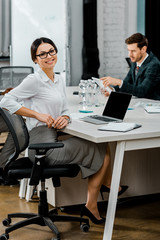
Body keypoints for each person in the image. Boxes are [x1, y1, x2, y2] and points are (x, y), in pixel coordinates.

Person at [0, 37, 127, 224]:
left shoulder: (58, 79)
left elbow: (65, 110)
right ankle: (96, 199)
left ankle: (97, 196)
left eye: (51, 51)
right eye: (42, 54)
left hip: (52, 136)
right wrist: (38, 115)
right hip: (41, 147)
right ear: (35, 59)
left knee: (100, 143)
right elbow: (5, 101)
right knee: (100, 146)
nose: (48, 56)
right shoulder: (34, 80)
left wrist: (65, 118)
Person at [101, 33, 160, 100]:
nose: (130, 55)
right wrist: (112, 90)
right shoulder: (136, 61)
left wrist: (119, 82)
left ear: (143, 49)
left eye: (133, 51)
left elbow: (142, 91)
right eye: (129, 50)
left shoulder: (154, 65)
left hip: (153, 106)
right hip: (140, 103)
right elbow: (127, 83)